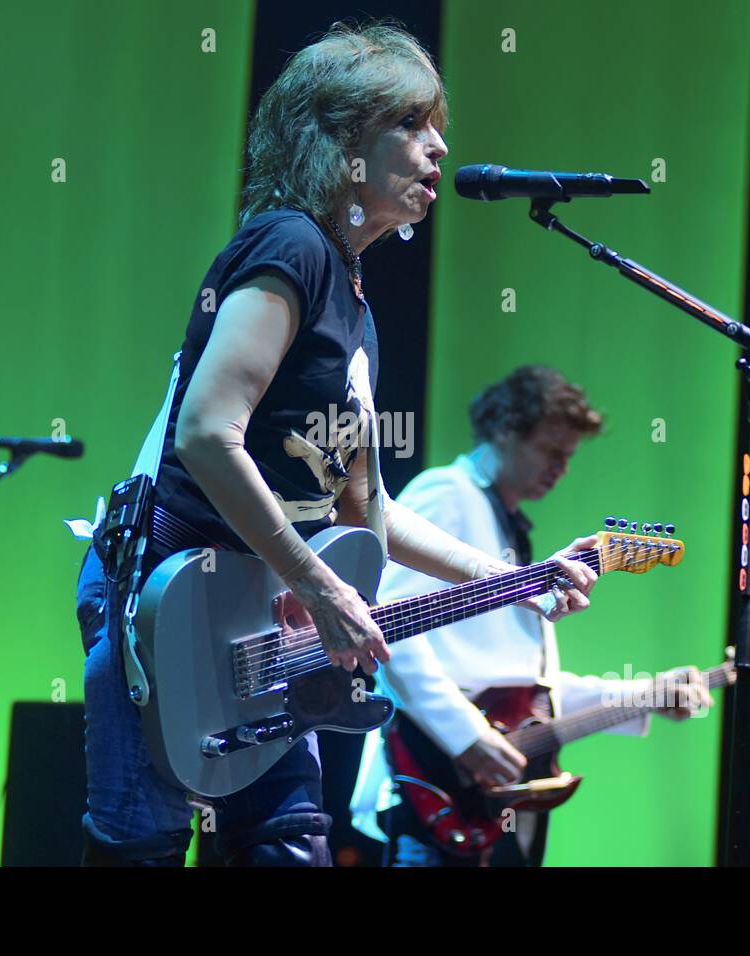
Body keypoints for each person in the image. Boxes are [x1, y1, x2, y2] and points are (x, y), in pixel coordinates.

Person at [72, 22, 601, 868]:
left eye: (437, 126)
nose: (441, 146)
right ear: (341, 139)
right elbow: (209, 434)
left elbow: (368, 514)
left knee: (290, 847)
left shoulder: (353, 305)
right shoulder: (291, 246)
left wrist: (512, 581)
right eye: (412, 124)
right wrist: (316, 585)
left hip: (257, 623)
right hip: (171, 600)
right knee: (147, 846)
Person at [350, 365, 713, 866]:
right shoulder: (448, 494)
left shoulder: (506, 521)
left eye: (568, 457)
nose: (561, 468)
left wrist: (644, 696)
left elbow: (520, 687)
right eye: (551, 451)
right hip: (436, 780)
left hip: (495, 796)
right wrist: (465, 735)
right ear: (504, 430)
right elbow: (390, 625)